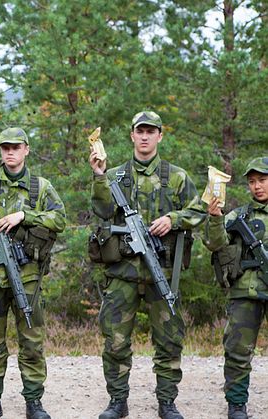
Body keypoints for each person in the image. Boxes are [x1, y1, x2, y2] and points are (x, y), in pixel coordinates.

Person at [88, 111, 206, 419]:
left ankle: (167, 402)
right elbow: (101, 210)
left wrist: (173, 219)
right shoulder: (114, 174)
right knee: (115, 341)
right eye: (139, 130)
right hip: (122, 273)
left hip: (161, 274)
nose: (144, 136)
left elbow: (200, 210)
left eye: (150, 131)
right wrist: (99, 176)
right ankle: (117, 401)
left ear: (159, 136)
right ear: (132, 135)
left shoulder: (176, 176)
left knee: (168, 341)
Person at [0, 127, 66, 419]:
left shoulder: (40, 187)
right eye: (5, 147)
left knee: (31, 343)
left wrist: (24, 216)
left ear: (26, 150)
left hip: (28, 279)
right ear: (0, 151)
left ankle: (34, 402)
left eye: (15, 147)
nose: (10, 152)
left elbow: (60, 219)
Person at [204, 156, 268, 419]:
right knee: (237, 351)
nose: (257, 186)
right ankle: (237, 404)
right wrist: (216, 217)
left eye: (262, 180)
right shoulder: (238, 215)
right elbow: (213, 242)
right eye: (252, 182)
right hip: (245, 292)